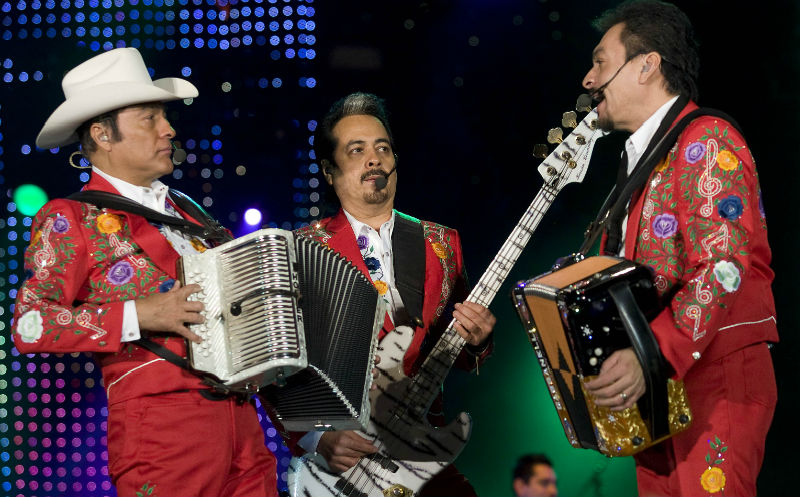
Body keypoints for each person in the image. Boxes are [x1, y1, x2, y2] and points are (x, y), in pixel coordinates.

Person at [11, 48, 278, 496]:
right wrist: (138, 314)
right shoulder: (69, 217)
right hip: (160, 427)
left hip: (242, 421)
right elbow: (30, 325)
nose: (168, 129)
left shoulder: (189, 211)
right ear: (102, 134)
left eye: (164, 117)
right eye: (149, 118)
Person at [579, 1, 778, 496]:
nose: (588, 79)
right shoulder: (647, 159)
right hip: (664, 388)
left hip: (714, 378)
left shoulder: (707, 139)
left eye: (601, 61)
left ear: (647, 65)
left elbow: (726, 268)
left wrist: (651, 354)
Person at [288, 92, 496, 496]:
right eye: (357, 150)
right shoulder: (301, 250)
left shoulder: (441, 242)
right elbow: (277, 366)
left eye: (383, 148)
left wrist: (479, 339)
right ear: (329, 171)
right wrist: (318, 438)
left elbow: (460, 351)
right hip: (342, 464)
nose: (374, 158)